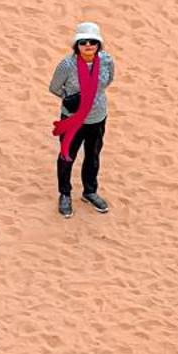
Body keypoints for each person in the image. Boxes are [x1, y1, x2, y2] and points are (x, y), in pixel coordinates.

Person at [49, 21, 115, 218]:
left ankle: (90, 191)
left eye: (93, 42)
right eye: (83, 42)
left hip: (97, 117)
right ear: (76, 45)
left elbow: (109, 80)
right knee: (67, 157)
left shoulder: (107, 61)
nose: (88, 46)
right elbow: (54, 87)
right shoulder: (66, 65)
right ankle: (65, 194)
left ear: (98, 45)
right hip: (73, 120)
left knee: (93, 156)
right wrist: (70, 99)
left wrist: (93, 98)